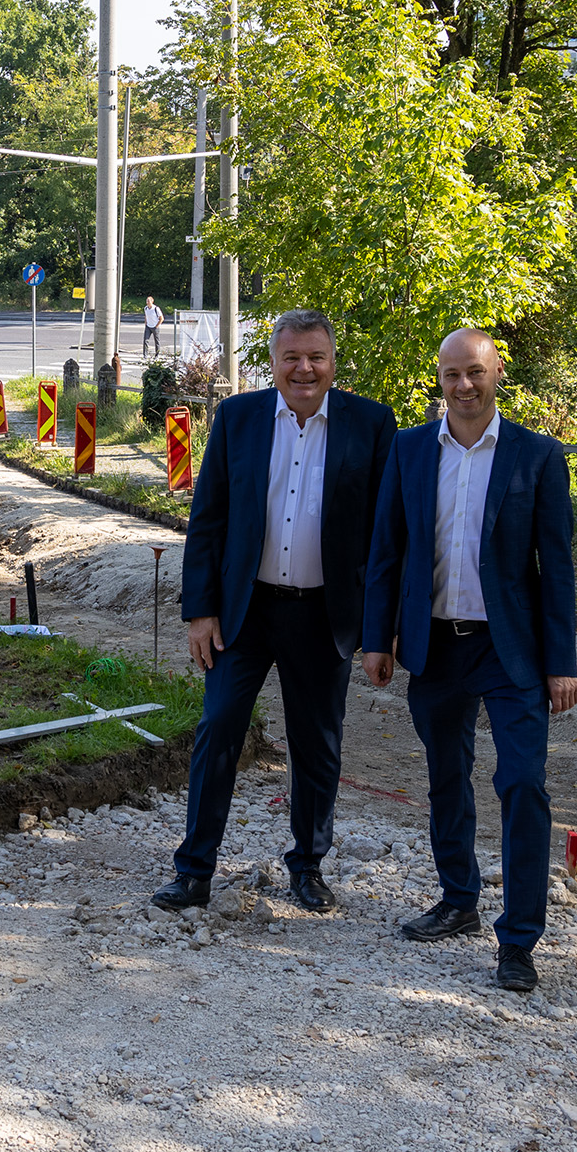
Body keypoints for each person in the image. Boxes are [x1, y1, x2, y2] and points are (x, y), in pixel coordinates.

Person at [156, 309, 397, 916]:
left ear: (333, 362)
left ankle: (308, 866)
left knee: (317, 745)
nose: (304, 369)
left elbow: (388, 536)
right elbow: (208, 518)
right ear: (274, 362)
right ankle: (194, 871)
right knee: (218, 730)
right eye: (291, 357)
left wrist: (380, 627)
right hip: (246, 610)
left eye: (315, 357)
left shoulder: (370, 424)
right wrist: (200, 610)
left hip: (324, 615)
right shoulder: (239, 418)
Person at [360, 329, 577, 993]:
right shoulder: (406, 450)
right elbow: (385, 552)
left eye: (474, 373)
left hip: (509, 648)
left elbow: (557, 567)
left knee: (521, 782)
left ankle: (518, 940)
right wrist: (377, 639)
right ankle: (457, 900)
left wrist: (561, 662)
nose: (463, 386)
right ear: (439, 378)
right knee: (446, 776)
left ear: (497, 374)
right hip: (433, 643)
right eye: (451, 374)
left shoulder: (535, 456)